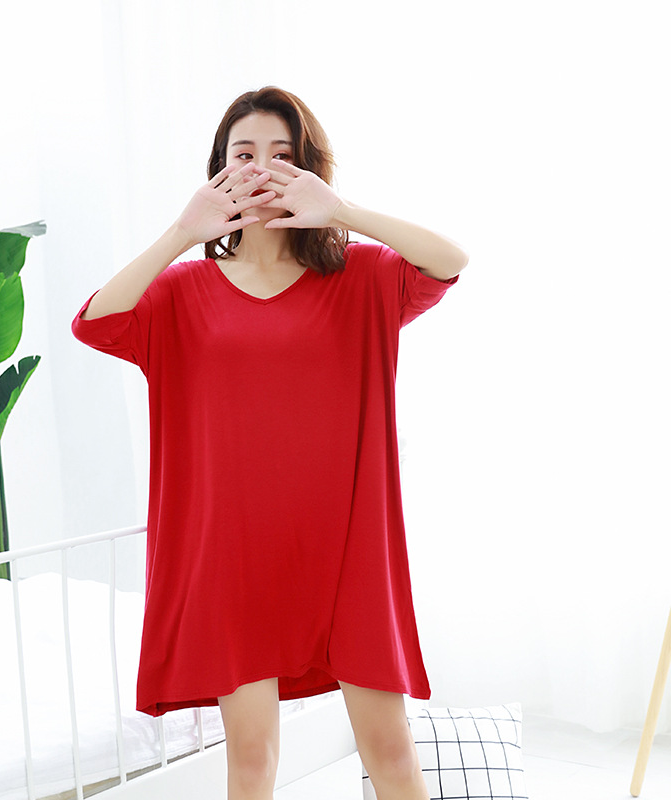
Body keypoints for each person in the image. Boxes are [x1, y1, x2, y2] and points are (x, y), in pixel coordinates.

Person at [72, 86, 468, 800]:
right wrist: (181, 232)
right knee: (252, 762)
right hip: (236, 560)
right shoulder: (182, 291)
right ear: (218, 172)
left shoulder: (361, 278)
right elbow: (96, 322)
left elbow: (449, 260)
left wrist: (341, 212)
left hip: (347, 553)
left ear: (308, 169)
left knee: (391, 751)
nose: (261, 170)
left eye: (282, 156)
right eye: (243, 155)